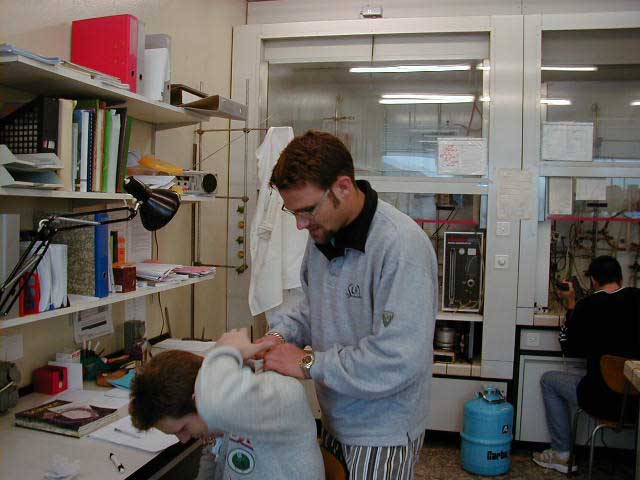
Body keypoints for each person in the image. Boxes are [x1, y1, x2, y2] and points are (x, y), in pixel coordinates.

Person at [255, 130, 438, 479]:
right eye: (293, 212)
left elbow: (397, 359)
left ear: (342, 187)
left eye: (307, 211)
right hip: (335, 417)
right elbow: (314, 308)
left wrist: (308, 362)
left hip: (381, 431)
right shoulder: (323, 234)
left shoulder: (400, 247)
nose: (300, 224)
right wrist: (277, 337)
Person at [129, 328, 325, 480]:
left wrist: (225, 351)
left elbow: (215, 405)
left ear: (199, 399)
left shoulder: (278, 397)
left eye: (183, 428)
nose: (184, 439)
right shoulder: (221, 417)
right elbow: (212, 457)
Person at [533, 256, 640, 474]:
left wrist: (572, 304)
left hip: (599, 400)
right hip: (636, 403)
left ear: (593, 281)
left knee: (549, 380)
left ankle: (562, 454)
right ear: (621, 278)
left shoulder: (587, 306)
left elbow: (569, 348)